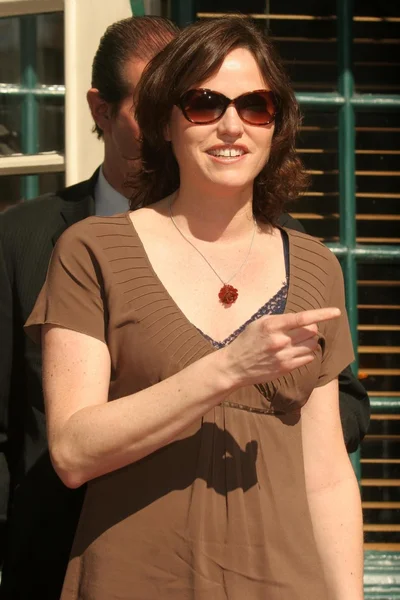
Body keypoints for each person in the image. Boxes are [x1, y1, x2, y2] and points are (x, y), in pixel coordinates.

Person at [25, 16, 364, 599]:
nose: (232, 126)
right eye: (205, 103)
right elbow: (73, 451)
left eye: (255, 105)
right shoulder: (93, 250)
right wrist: (230, 367)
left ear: (276, 123)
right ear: (166, 121)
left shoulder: (314, 265)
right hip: (134, 581)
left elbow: (327, 476)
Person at [0, 16, 179, 600]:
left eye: (187, 105)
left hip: (207, 557)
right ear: (100, 110)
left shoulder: (268, 237)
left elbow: (348, 411)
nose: (173, 132)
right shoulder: (22, 239)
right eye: (150, 113)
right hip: (55, 563)